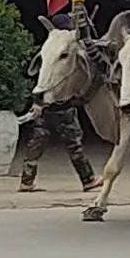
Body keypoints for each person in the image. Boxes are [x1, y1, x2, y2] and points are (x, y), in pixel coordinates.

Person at [18, 13, 103, 193]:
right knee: (74, 145)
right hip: (62, 106)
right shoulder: (64, 47)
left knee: (37, 142)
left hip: (45, 104)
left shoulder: (50, 48)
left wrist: (37, 103)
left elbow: (41, 76)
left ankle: (26, 181)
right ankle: (88, 179)